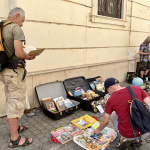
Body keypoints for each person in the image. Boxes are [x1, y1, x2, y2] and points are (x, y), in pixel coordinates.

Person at [1, 7, 39, 148]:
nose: (22, 24)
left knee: (11, 100)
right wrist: (31, 56)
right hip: (14, 72)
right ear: (17, 16)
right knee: (15, 104)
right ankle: (15, 139)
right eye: (22, 20)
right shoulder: (15, 29)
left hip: (4, 71)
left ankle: (15, 128)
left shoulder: (1, 27)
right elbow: (19, 52)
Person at [94, 78, 150, 149]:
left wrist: (98, 130)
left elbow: (105, 121)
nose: (108, 93)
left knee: (113, 115)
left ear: (111, 87)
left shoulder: (111, 100)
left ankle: (124, 138)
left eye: (107, 91)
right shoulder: (137, 88)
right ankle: (137, 139)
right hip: (145, 130)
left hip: (128, 135)